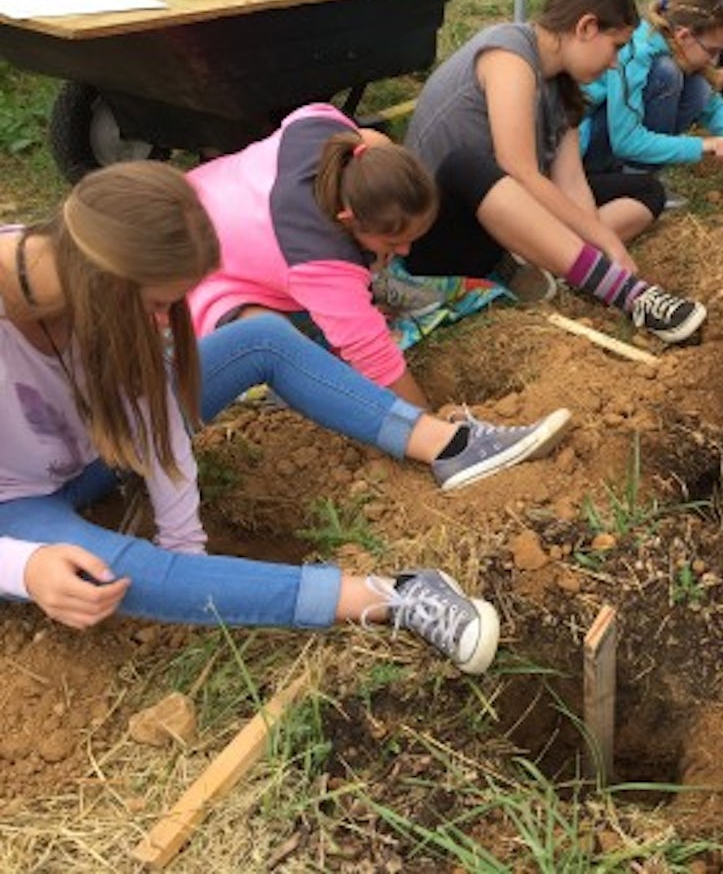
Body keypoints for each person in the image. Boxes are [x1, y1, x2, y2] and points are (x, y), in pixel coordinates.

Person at [0, 161, 574, 669]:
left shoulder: (91, 284)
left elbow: (152, 409)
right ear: (104, 282)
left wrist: (186, 548)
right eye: (156, 306)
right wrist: (25, 568)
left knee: (262, 339)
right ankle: (392, 596)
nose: (162, 321)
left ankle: (448, 445)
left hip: (95, 452)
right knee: (103, 571)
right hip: (16, 508)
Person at [402, 0, 707, 345]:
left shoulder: (562, 83)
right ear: (586, 27)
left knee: (647, 191)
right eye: (615, 47)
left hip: (502, 223)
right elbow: (521, 171)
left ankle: (561, 261)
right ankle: (625, 293)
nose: (615, 62)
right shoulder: (509, 57)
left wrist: (596, 238)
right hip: (438, 233)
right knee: (468, 166)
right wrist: (608, 244)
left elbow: (570, 181)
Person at [187, 102, 442, 408]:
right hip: (191, 269)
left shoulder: (323, 122)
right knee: (276, 343)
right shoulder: (319, 259)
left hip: (197, 192)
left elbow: (376, 143)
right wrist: (426, 423)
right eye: (394, 241)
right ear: (348, 219)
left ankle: (357, 284)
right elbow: (372, 355)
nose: (405, 251)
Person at [580, 0, 723, 179]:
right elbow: (625, 141)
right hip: (582, 149)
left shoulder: (674, 46)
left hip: (610, 136)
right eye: (712, 51)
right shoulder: (637, 55)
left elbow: (712, 103)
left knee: (699, 86)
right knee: (666, 74)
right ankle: (633, 180)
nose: (714, 60)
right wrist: (702, 145)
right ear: (684, 35)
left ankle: (642, 176)